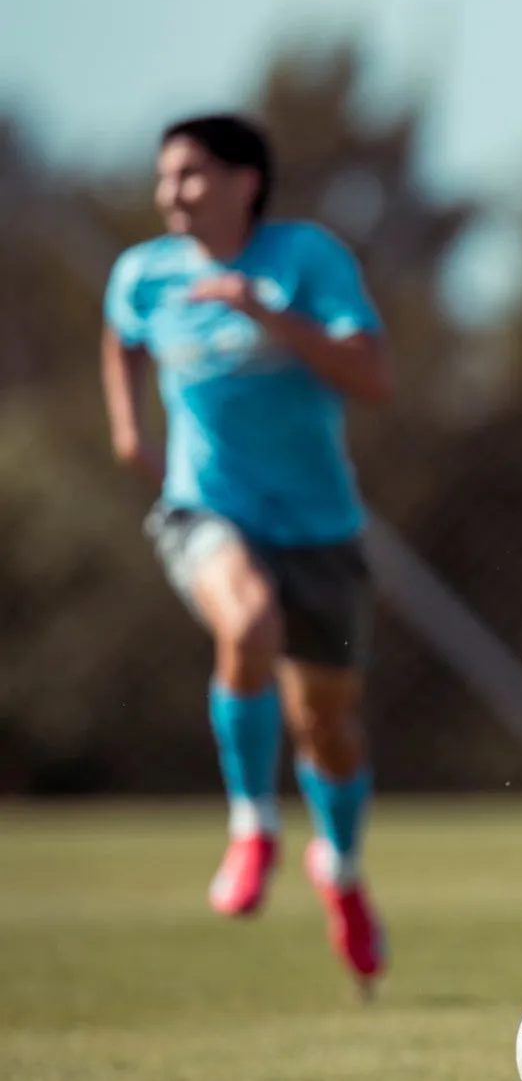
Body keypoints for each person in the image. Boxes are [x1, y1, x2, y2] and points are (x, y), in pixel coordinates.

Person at [101, 114, 393, 993]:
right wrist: (127, 430)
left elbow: (374, 380)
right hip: (206, 510)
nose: (170, 194)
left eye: (189, 175)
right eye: (164, 178)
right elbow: (119, 334)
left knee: (330, 731)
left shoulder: (306, 259)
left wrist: (267, 316)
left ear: (244, 182)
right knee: (249, 621)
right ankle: (252, 827)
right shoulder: (143, 273)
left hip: (321, 530)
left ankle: (339, 872)